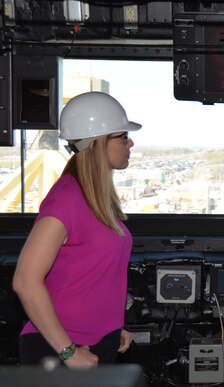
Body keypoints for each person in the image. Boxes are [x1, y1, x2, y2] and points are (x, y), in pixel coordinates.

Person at [12, 92, 141, 368]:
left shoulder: (96, 198)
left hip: (96, 343)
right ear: (96, 144)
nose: (130, 142)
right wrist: (68, 351)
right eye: (122, 136)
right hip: (59, 349)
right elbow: (25, 280)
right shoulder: (67, 199)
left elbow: (93, 277)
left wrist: (111, 329)